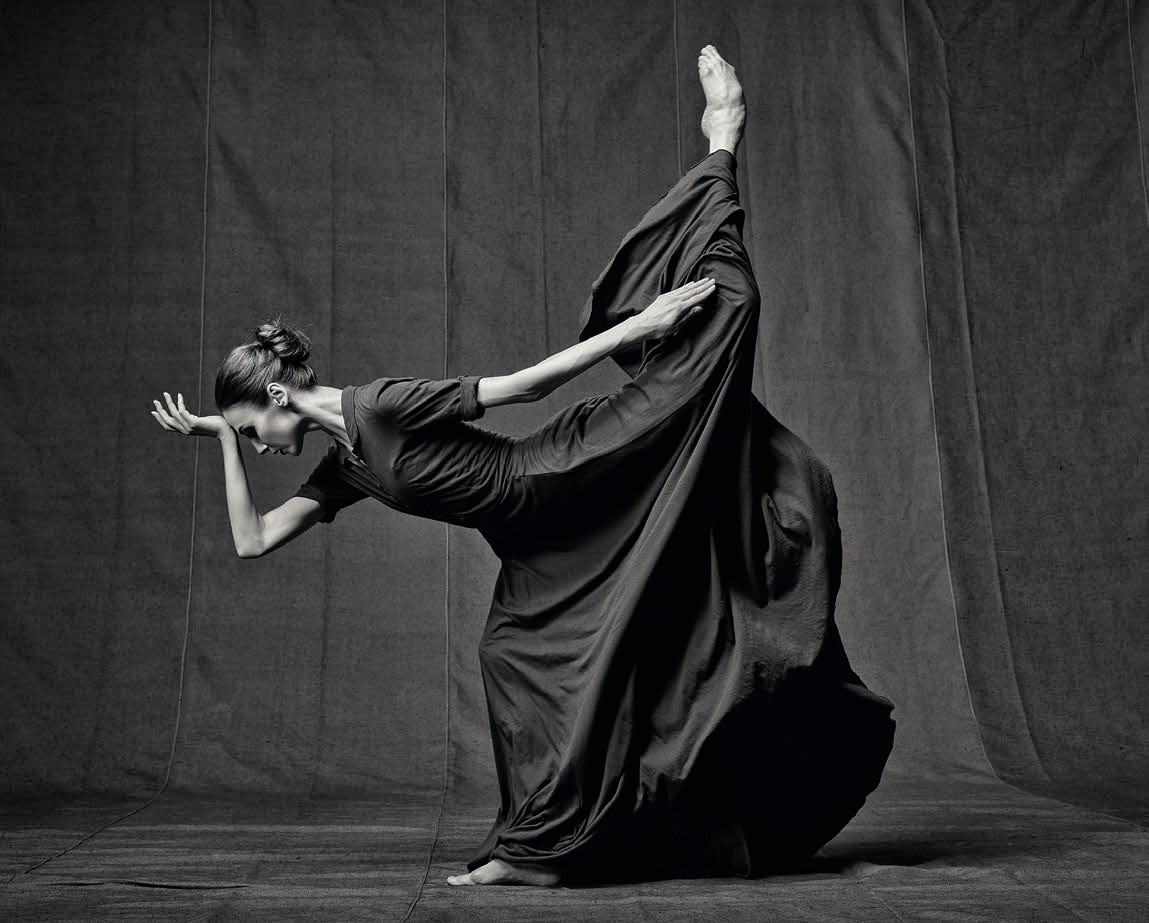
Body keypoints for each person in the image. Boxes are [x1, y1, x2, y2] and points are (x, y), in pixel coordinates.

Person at [152, 46, 895, 887]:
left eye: (251, 428)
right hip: (538, 545)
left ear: (279, 393)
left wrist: (636, 326)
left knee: (713, 335)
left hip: (559, 472)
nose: (256, 445)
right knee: (513, 658)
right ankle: (540, 845)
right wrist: (219, 436)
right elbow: (251, 540)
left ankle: (721, 141)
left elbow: (524, 385)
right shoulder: (346, 466)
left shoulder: (381, 404)